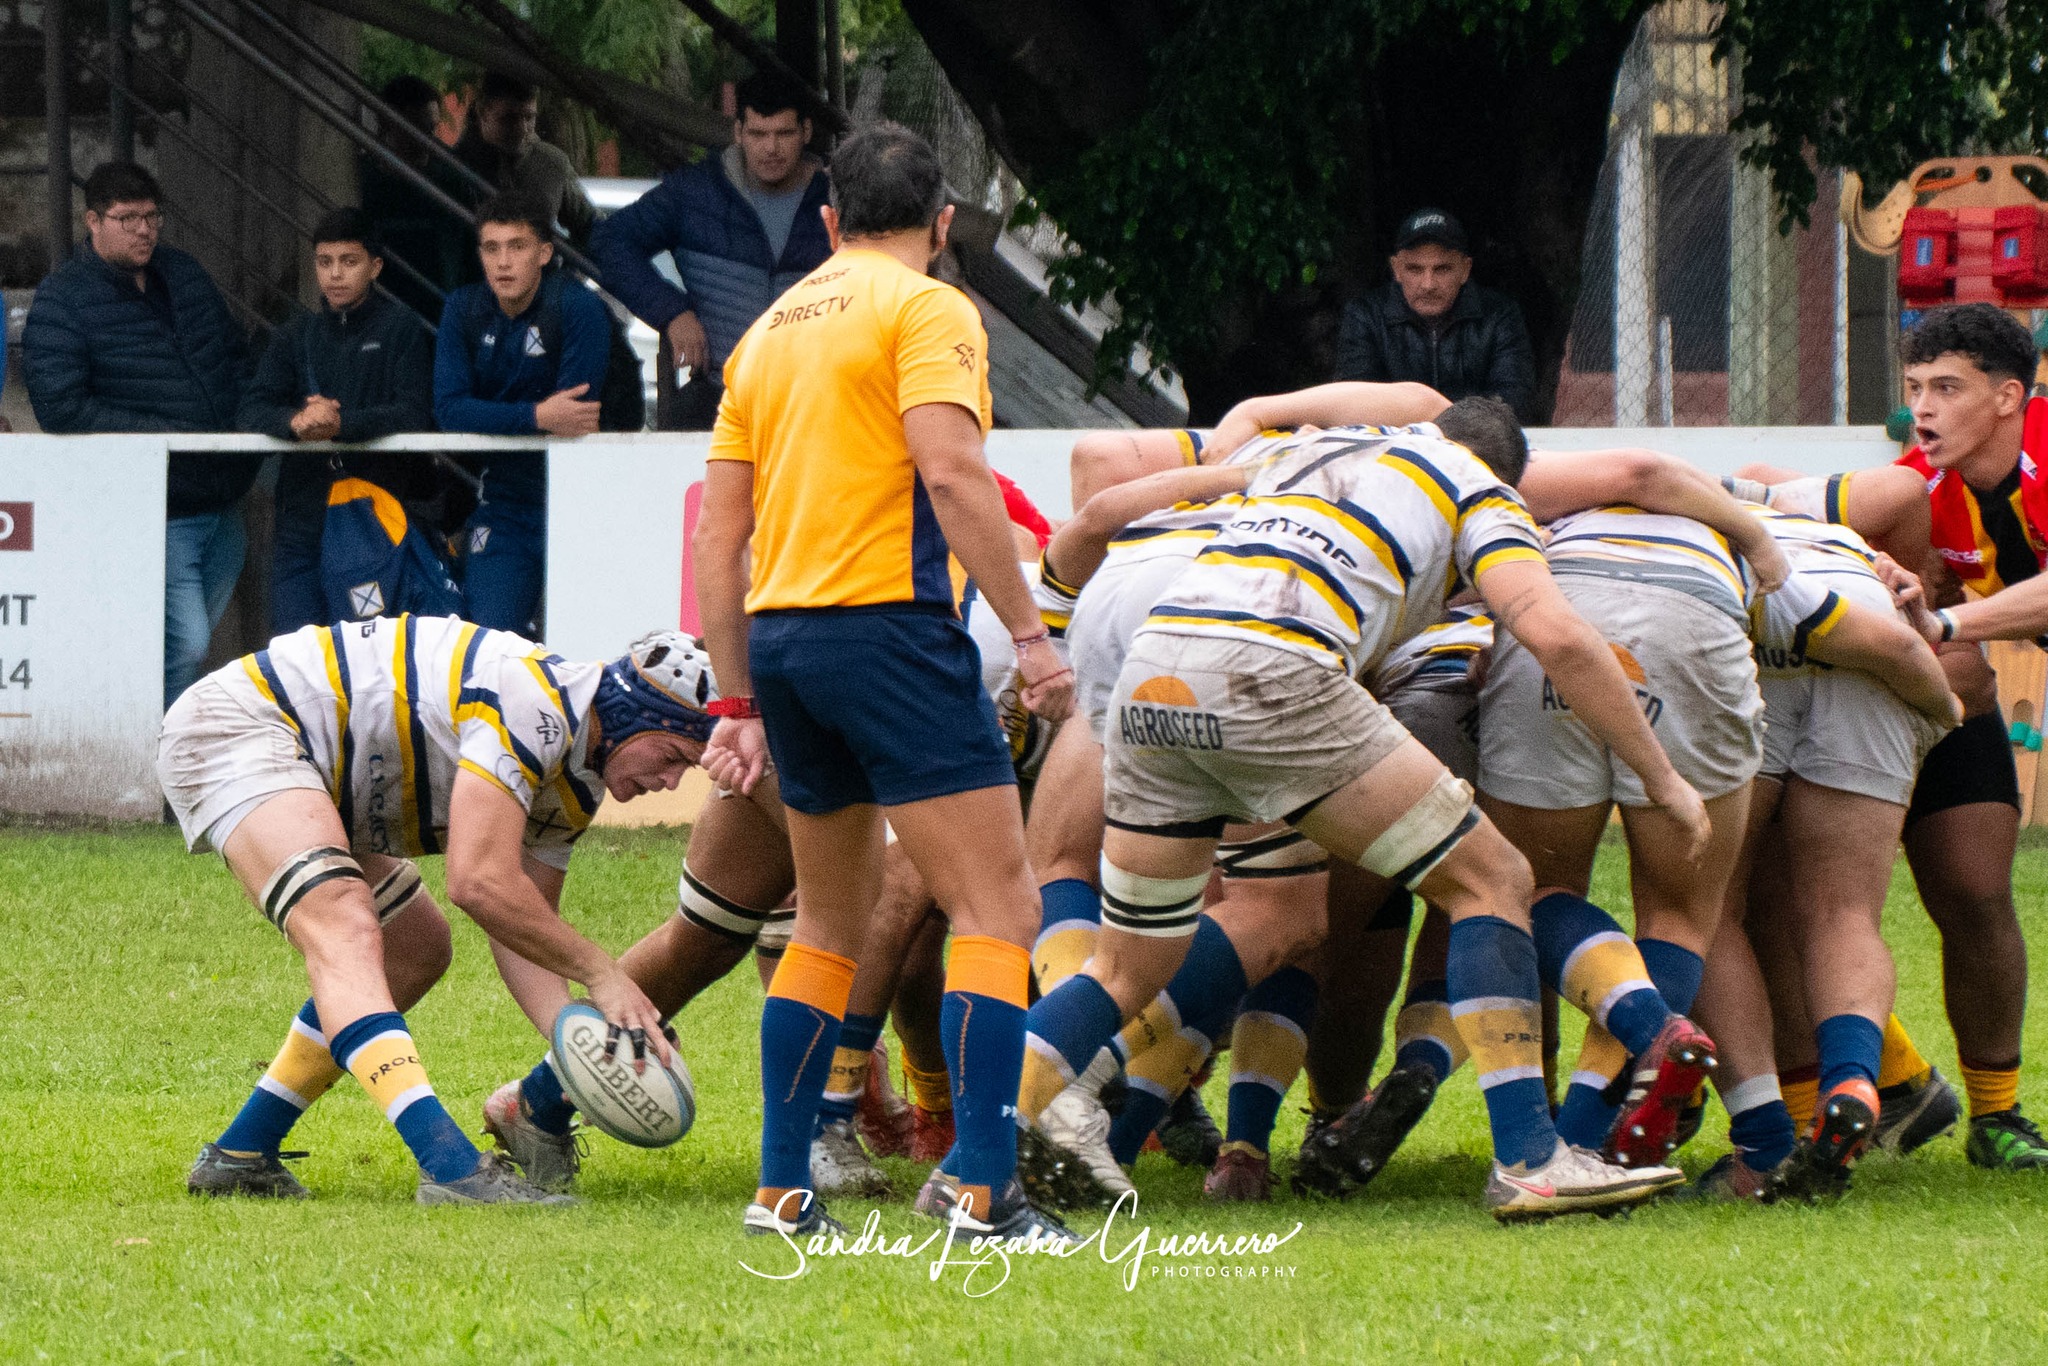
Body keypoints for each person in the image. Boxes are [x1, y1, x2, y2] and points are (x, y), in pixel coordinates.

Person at [1016, 402, 1709, 1222]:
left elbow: (1112, 509)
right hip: (1269, 674)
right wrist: (1663, 779)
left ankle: (980, 1156)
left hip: (1153, 672)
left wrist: (1048, 631)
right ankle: (1532, 1159)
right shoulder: (1476, 485)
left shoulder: (1314, 452)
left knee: (1132, 962)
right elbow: (1554, 634)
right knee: (1494, 877)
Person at [691, 121, 1075, 1243]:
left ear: (827, 222)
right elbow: (951, 467)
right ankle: (982, 1188)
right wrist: (1030, 634)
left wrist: (736, 699)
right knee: (997, 905)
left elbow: (721, 533)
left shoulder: (764, 334)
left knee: (825, 921)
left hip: (787, 646)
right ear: (942, 226)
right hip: (890, 633)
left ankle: (778, 1189)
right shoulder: (928, 307)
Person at [161, 616, 694, 1204]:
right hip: (242, 724)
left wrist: (581, 1052)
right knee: (346, 925)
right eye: (671, 755)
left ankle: (239, 1156)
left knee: (416, 948)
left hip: (316, 764)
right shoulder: (531, 702)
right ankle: (452, 1168)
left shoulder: (576, 779)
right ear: (628, 717)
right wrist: (602, 971)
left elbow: (518, 924)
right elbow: (478, 882)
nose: (671, 780)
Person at [1739, 302, 2048, 1171]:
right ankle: (1893, 1083)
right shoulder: (1914, 484)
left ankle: (1998, 1113)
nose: (1925, 408)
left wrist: (1948, 629)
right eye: (1915, 388)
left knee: (1976, 895)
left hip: (1957, 696)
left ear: (2008, 397)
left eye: (1948, 388)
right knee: (1801, 899)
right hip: (1909, 709)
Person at [21, 161, 259, 709]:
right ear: (93, 221)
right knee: (187, 643)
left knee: (187, 647)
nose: (144, 229)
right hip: (158, 505)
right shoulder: (63, 298)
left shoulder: (186, 272)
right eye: (127, 218)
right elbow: (61, 407)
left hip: (224, 496)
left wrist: (246, 426)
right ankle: (162, 770)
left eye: (152, 216)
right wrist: (168, 437)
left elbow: (235, 356)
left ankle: (163, 765)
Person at [237, 209, 442, 634]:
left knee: (369, 653)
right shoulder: (297, 334)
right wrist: (296, 420)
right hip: (302, 513)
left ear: (375, 267)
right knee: (294, 650)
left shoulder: (399, 327)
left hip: (371, 513)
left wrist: (339, 425)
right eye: (324, 261)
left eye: (348, 261)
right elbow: (251, 409)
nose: (334, 274)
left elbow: (414, 411)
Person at [591, 72, 833, 430]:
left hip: (820, 400)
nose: (771, 148)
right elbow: (609, 242)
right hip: (719, 393)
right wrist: (672, 312)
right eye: (758, 134)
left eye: (784, 134)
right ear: (738, 133)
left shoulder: (838, 199)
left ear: (806, 132)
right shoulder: (694, 193)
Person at [434, 193, 610, 636]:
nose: (503, 262)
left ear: (545, 253)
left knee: (585, 644)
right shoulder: (463, 307)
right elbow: (449, 410)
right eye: (491, 248)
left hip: (583, 499)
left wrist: (501, 415)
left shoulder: (578, 307)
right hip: (506, 503)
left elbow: (573, 418)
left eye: (518, 246)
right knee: (485, 643)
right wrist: (534, 415)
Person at [1333, 208, 1539, 422]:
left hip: (1474, 447)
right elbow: (1355, 403)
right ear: (1396, 269)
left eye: (1442, 269)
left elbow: (1514, 402)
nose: (1428, 284)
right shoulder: (1365, 315)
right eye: (1415, 269)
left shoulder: (1499, 314)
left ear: (1465, 270)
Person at [359, 74, 474, 324]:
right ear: (388, 122)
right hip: (383, 311)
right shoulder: (365, 179)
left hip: (441, 308)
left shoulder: (451, 177)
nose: (426, 141)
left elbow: (471, 247)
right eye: (416, 129)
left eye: (431, 128)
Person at [454, 73, 596, 250]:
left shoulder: (550, 162)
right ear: (483, 112)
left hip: (540, 274)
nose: (522, 129)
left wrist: (568, 270)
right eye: (509, 119)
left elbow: (590, 224)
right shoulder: (456, 164)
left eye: (529, 118)